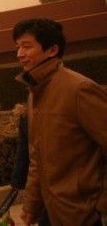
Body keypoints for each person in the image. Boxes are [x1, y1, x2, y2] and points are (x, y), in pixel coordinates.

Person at [14, 18, 107, 226]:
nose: (20, 54)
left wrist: (101, 208)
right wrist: (31, 205)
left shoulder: (79, 89)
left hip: (83, 216)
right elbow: (37, 157)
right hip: (50, 213)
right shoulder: (34, 93)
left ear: (52, 50)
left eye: (27, 46)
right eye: (18, 47)